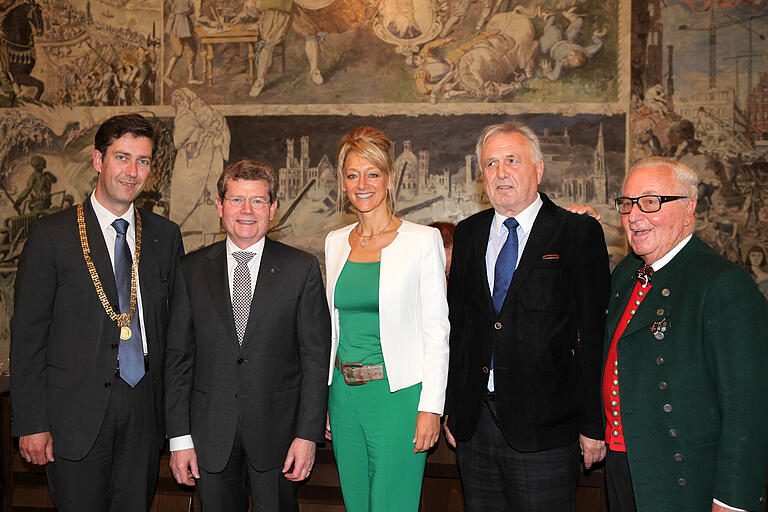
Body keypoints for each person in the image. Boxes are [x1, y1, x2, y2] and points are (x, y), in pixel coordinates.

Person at [10, 113, 184, 511]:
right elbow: (28, 337)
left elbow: (175, 334)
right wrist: (32, 422)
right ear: (97, 161)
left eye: (143, 161)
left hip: (144, 413)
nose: (133, 171)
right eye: (122, 157)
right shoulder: (51, 235)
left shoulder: (164, 236)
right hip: (74, 415)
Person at [444, 120, 610, 511]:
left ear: (538, 169)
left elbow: (592, 332)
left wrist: (593, 424)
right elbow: (460, 329)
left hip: (547, 429)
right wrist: (452, 405)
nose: (501, 173)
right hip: (475, 427)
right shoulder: (467, 234)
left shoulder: (575, 231)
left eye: (512, 160)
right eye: (490, 164)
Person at [604, 157, 768, 512]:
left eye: (651, 202)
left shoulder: (723, 284)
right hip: (623, 463)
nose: (634, 215)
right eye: (628, 203)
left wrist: (732, 501)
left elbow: (747, 409)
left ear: (689, 208)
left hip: (681, 476)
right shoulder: (626, 274)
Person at [165, 160, 330, 511]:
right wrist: (179, 438)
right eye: (237, 199)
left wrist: (307, 435)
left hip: (280, 438)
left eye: (257, 201)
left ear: (272, 209)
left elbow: (315, 359)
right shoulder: (190, 270)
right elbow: (178, 359)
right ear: (220, 205)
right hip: (210, 436)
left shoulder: (301, 269)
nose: (246, 211)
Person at [324, 126, 449, 511]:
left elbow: (436, 332)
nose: (362, 184)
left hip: (397, 397)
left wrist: (431, 408)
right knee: (356, 504)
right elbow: (332, 329)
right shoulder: (334, 241)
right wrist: (324, 399)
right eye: (352, 174)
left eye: (372, 174)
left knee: (391, 505)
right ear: (343, 182)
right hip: (343, 397)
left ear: (390, 179)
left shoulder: (421, 241)